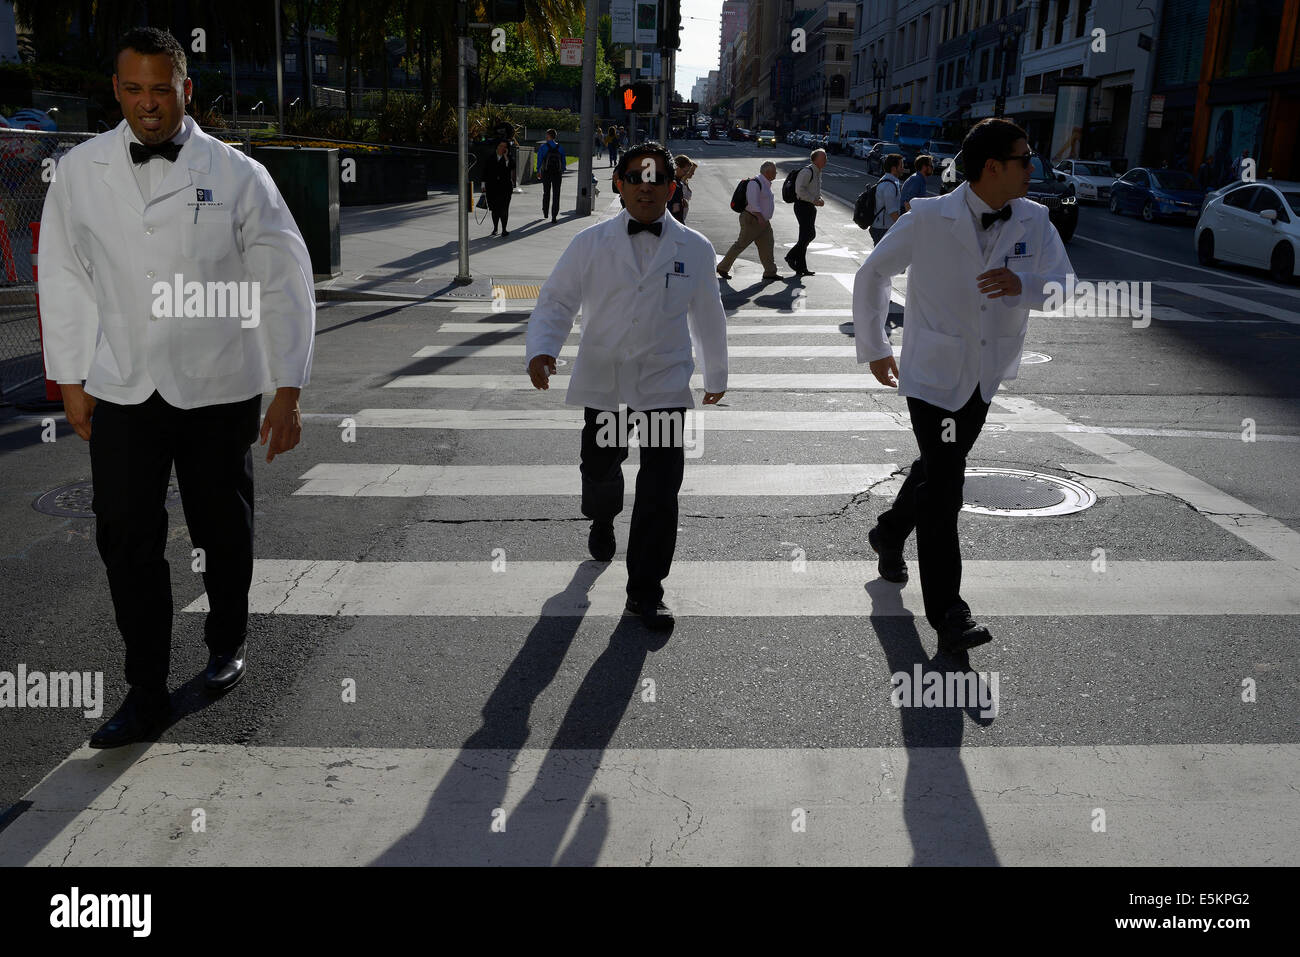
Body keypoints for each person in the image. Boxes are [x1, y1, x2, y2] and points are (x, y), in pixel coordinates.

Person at [38, 27, 315, 747]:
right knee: (125, 536)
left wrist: (287, 385)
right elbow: (63, 274)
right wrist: (69, 374)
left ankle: (226, 641)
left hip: (219, 386)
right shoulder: (80, 170)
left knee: (223, 527)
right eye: (133, 89)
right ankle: (146, 687)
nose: (148, 104)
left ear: (185, 89)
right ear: (116, 92)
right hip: (122, 384)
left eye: (162, 88)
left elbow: (283, 278)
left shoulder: (238, 174)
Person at [852, 117, 1073, 655]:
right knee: (947, 486)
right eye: (1025, 159)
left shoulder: (1035, 219)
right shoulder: (928, 218)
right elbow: (873, 274)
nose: (1033, 168)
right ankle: (948, 612)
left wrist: (1027, 286)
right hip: (931, 374)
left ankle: (889, 530)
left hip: (985, 374)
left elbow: (1064, 287)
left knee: (936, 468)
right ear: (992, 167)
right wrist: (877, 347)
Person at [524, 142, 728, 630]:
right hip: (607, 381)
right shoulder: (590, 243)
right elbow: (556, 300)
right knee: (600, 468)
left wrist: (715, 374)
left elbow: (708, 314)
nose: (646, 186)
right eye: (636, 176)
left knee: (660, 487)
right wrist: (542, 348)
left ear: (670, 188)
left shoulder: (695, 248)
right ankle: (601, 516)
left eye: (656, 178)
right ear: (619, 183)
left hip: (663, 383)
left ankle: (646, 593)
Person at [716, 160, 782, 281]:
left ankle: (770, 272)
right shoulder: (755, 183)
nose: (776, 174)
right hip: (753, 220)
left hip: (763, 221)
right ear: (767, 172)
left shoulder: (765, 182)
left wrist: (763, 219)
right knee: (740, 245)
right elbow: (752, 203)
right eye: (774, 172)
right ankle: (722, 267)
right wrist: (760, 217)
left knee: (767, 246)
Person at [785, 148, 826, 276]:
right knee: (809, 235)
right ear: (815, 159)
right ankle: (791, 256)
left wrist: (819, 199)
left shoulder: (817, 171)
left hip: (809, 207)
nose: (826, 160)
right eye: (823, 158)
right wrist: (814, 200)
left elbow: (813, 190)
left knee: (804, 237)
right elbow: (800, 191)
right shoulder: (807, 171)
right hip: (802, 206)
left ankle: (801, 267)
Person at [870, 153, 904, 244]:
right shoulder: (889, 185)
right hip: (883, 229)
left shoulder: (887, 181)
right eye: (901, 166)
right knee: (883, 258)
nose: (903, 168)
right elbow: (892, 211)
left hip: (882, 227)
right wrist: (902, 227)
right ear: (894, 168)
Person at [485, 139, 515, 236]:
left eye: (505, 146)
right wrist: (482, 184)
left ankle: (504, 229)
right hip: (492, 187)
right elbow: (485, 171)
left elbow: (512, 166)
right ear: (497, 146)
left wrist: (506, 157)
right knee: (494, 209)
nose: (502, 148)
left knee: (504, 209)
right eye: (501, 146)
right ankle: (495, 228)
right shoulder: (491, 157)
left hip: (505, 188)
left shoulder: (509, 157)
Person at [537, 128, 566, 223]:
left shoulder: (543, 147)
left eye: (547, 135)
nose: (546, 137)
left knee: (546, 192)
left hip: (546, 173)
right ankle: (554, 216)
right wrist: (561, 171)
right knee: (556, 194)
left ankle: (545, 212)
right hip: (557, 174)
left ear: (549, 136)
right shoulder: (560, 147)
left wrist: (538, 171)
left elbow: (540, 160)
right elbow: (563, 162)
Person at [668, 154, 696, 223]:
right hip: (672, 221)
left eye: (687, 172)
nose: (686, 174)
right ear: (677, 167)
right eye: (685, 171)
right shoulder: (670, 183)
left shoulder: (679, 183)